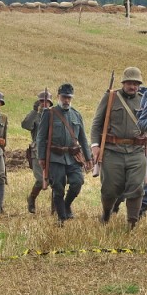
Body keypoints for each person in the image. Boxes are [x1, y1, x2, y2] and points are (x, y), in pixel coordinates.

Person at [92, 67, 147, 228]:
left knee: (136, 187)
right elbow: (97, 124)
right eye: (130, 83)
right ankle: (107, 213)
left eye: (136, 84)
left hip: (136, 151)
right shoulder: (110, 97)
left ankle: (132, 222)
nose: (133, 87)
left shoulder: (143, 100)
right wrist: (95, 146)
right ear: (123, 82)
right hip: (112, 150)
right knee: (109, 189)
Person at [36, 83, 91, 223]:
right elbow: (41, 137)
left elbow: (83, 138)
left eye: (69, 98)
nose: (66, 100)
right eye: (64, 97)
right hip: (55, 157)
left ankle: (66, 206)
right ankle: (61, 218)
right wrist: (41, 157)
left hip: (73, 157)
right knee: (58, 187)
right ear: (58, 97)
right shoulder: (49, 113)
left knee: (77, 183)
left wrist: (88, 157)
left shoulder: (77, 115)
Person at [22, 90, 52, 214]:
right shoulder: (35, 116)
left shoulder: (54, 114)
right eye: (41, 101)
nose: (44, 103)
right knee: (41, 179)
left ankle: (55, 209)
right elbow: (25, 125)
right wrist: (34, 111)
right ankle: (32, 199)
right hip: (37, 151)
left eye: (46, 101)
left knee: (56, 180)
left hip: (53, 150)